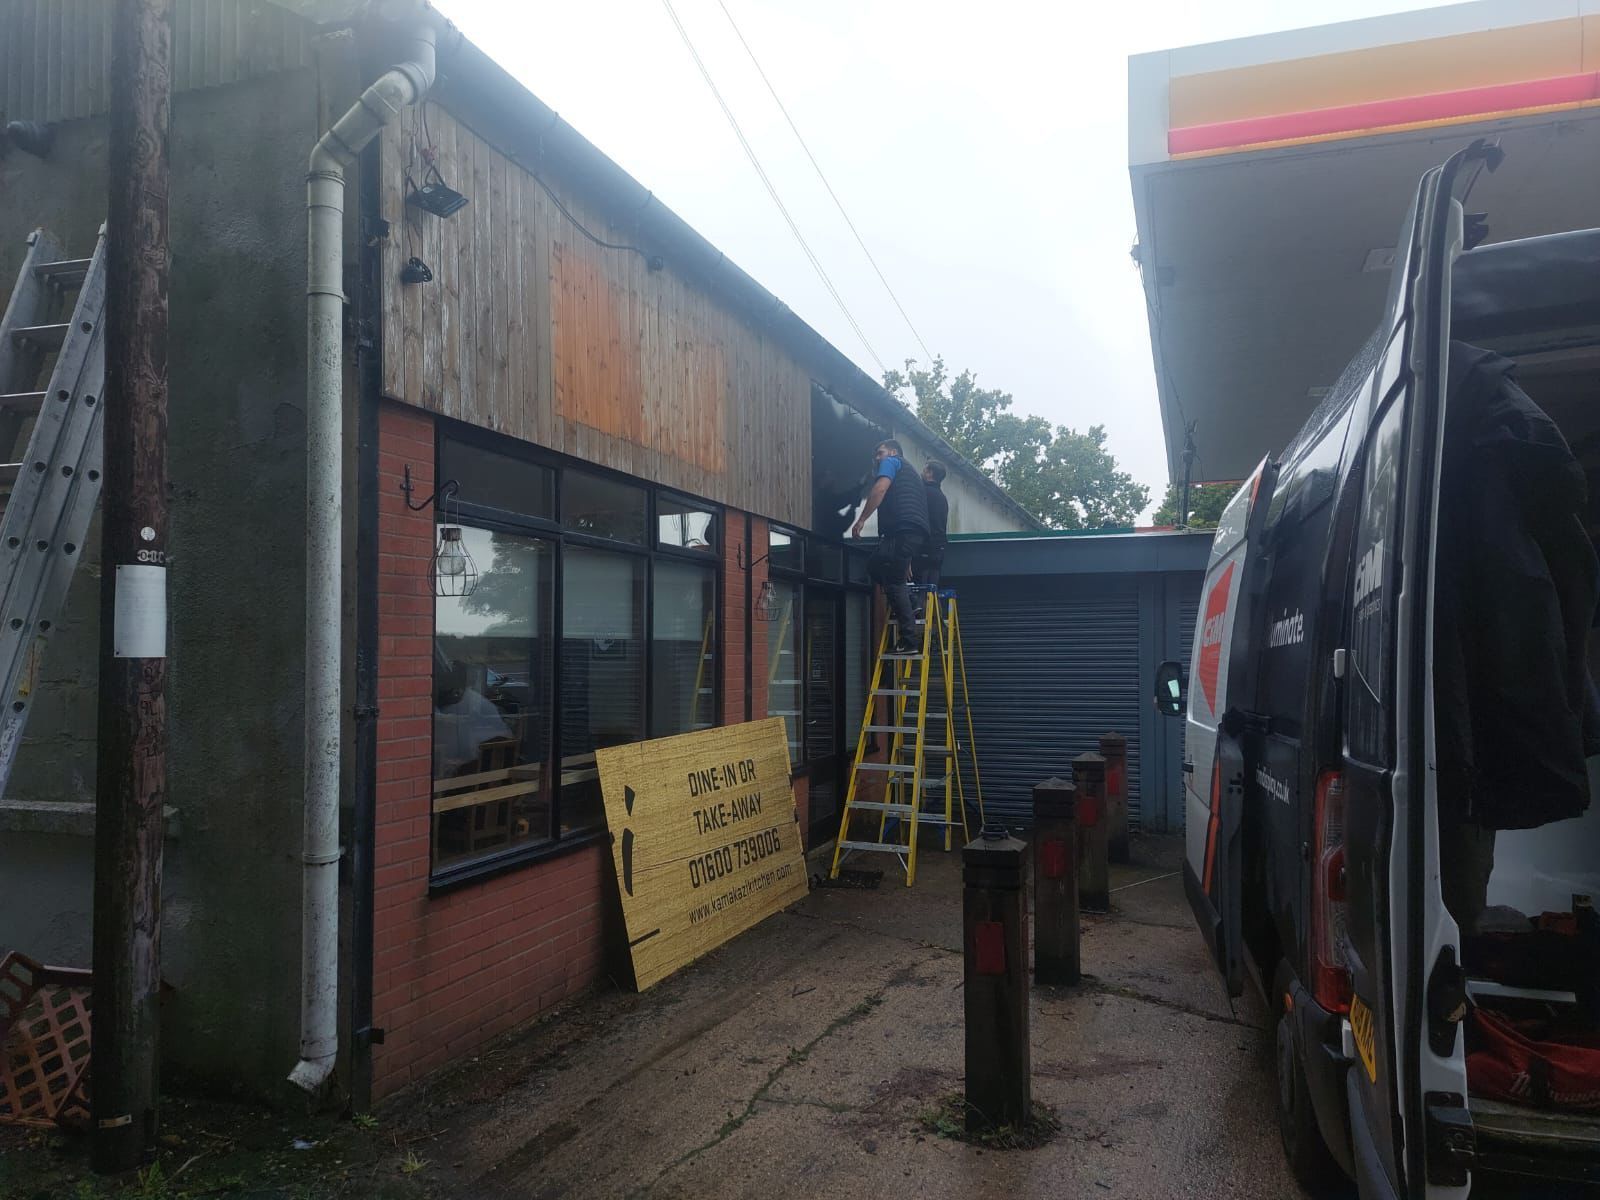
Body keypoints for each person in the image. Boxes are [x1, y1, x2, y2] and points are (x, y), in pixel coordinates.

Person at [852, 439, 929, 652]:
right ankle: (912, 603)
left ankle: (909, 640)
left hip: (901, 532)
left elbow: (879, 489)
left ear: (893, 451)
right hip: (912, 533)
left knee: (894, 582)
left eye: (880, 453)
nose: (878, 458)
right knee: (876, 566)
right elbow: (912, 509)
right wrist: (909, 557)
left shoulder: (893, 462)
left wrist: (861, 520)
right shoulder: (912, 474)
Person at [913, 460, 949, 591]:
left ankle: (919, 610)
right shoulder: (942, 497)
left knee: (920, 589)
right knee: (932, 589)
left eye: (924, 470)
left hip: (924, 547)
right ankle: (932, 610)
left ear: (929, 473)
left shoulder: (923, 494)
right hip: (938, 549)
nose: (922, 473)